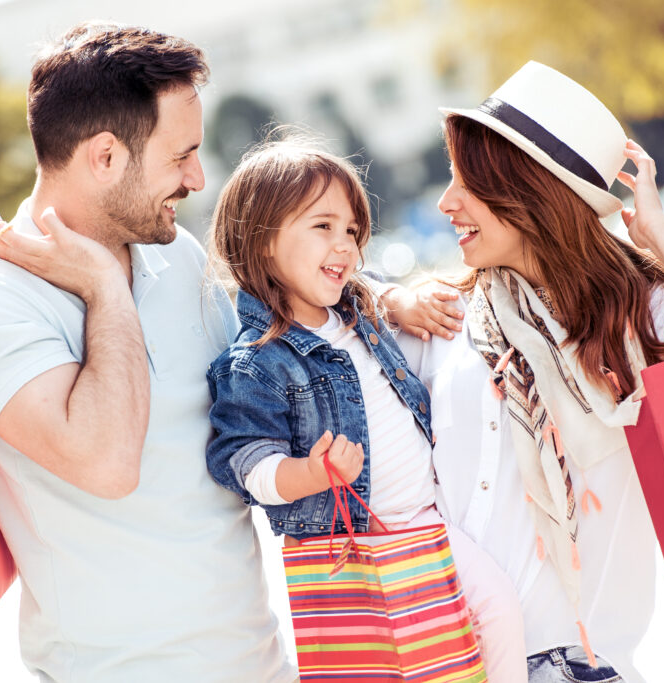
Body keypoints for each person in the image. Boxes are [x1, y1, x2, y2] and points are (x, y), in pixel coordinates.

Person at [382, 62, 664, 682]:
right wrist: (384, 299)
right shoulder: (449, 318)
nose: (445, 202)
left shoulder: (642, 320)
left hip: (584, 664)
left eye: (467, 183)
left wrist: (662, 236)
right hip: (456, 663)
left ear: (529, 191)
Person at [0, 22, 293, 682]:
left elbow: (278, 369)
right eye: (180, 155)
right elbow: (106, 461)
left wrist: (388, 306)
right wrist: (104, 288)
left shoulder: (176, 254)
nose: (198, 176)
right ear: (104, 158)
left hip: (262, 664)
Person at [203, 136, 528, 681]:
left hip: (427, 524)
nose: (346, 245)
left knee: (495, 612)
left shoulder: (357, 306)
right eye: (322, 226)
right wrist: (309, 473)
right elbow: (243, 459)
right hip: (349, 548)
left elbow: (379, 291)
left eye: (352, 231)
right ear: (262, 242)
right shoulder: (256, 362)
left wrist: (406, 301)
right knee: (375, 665)